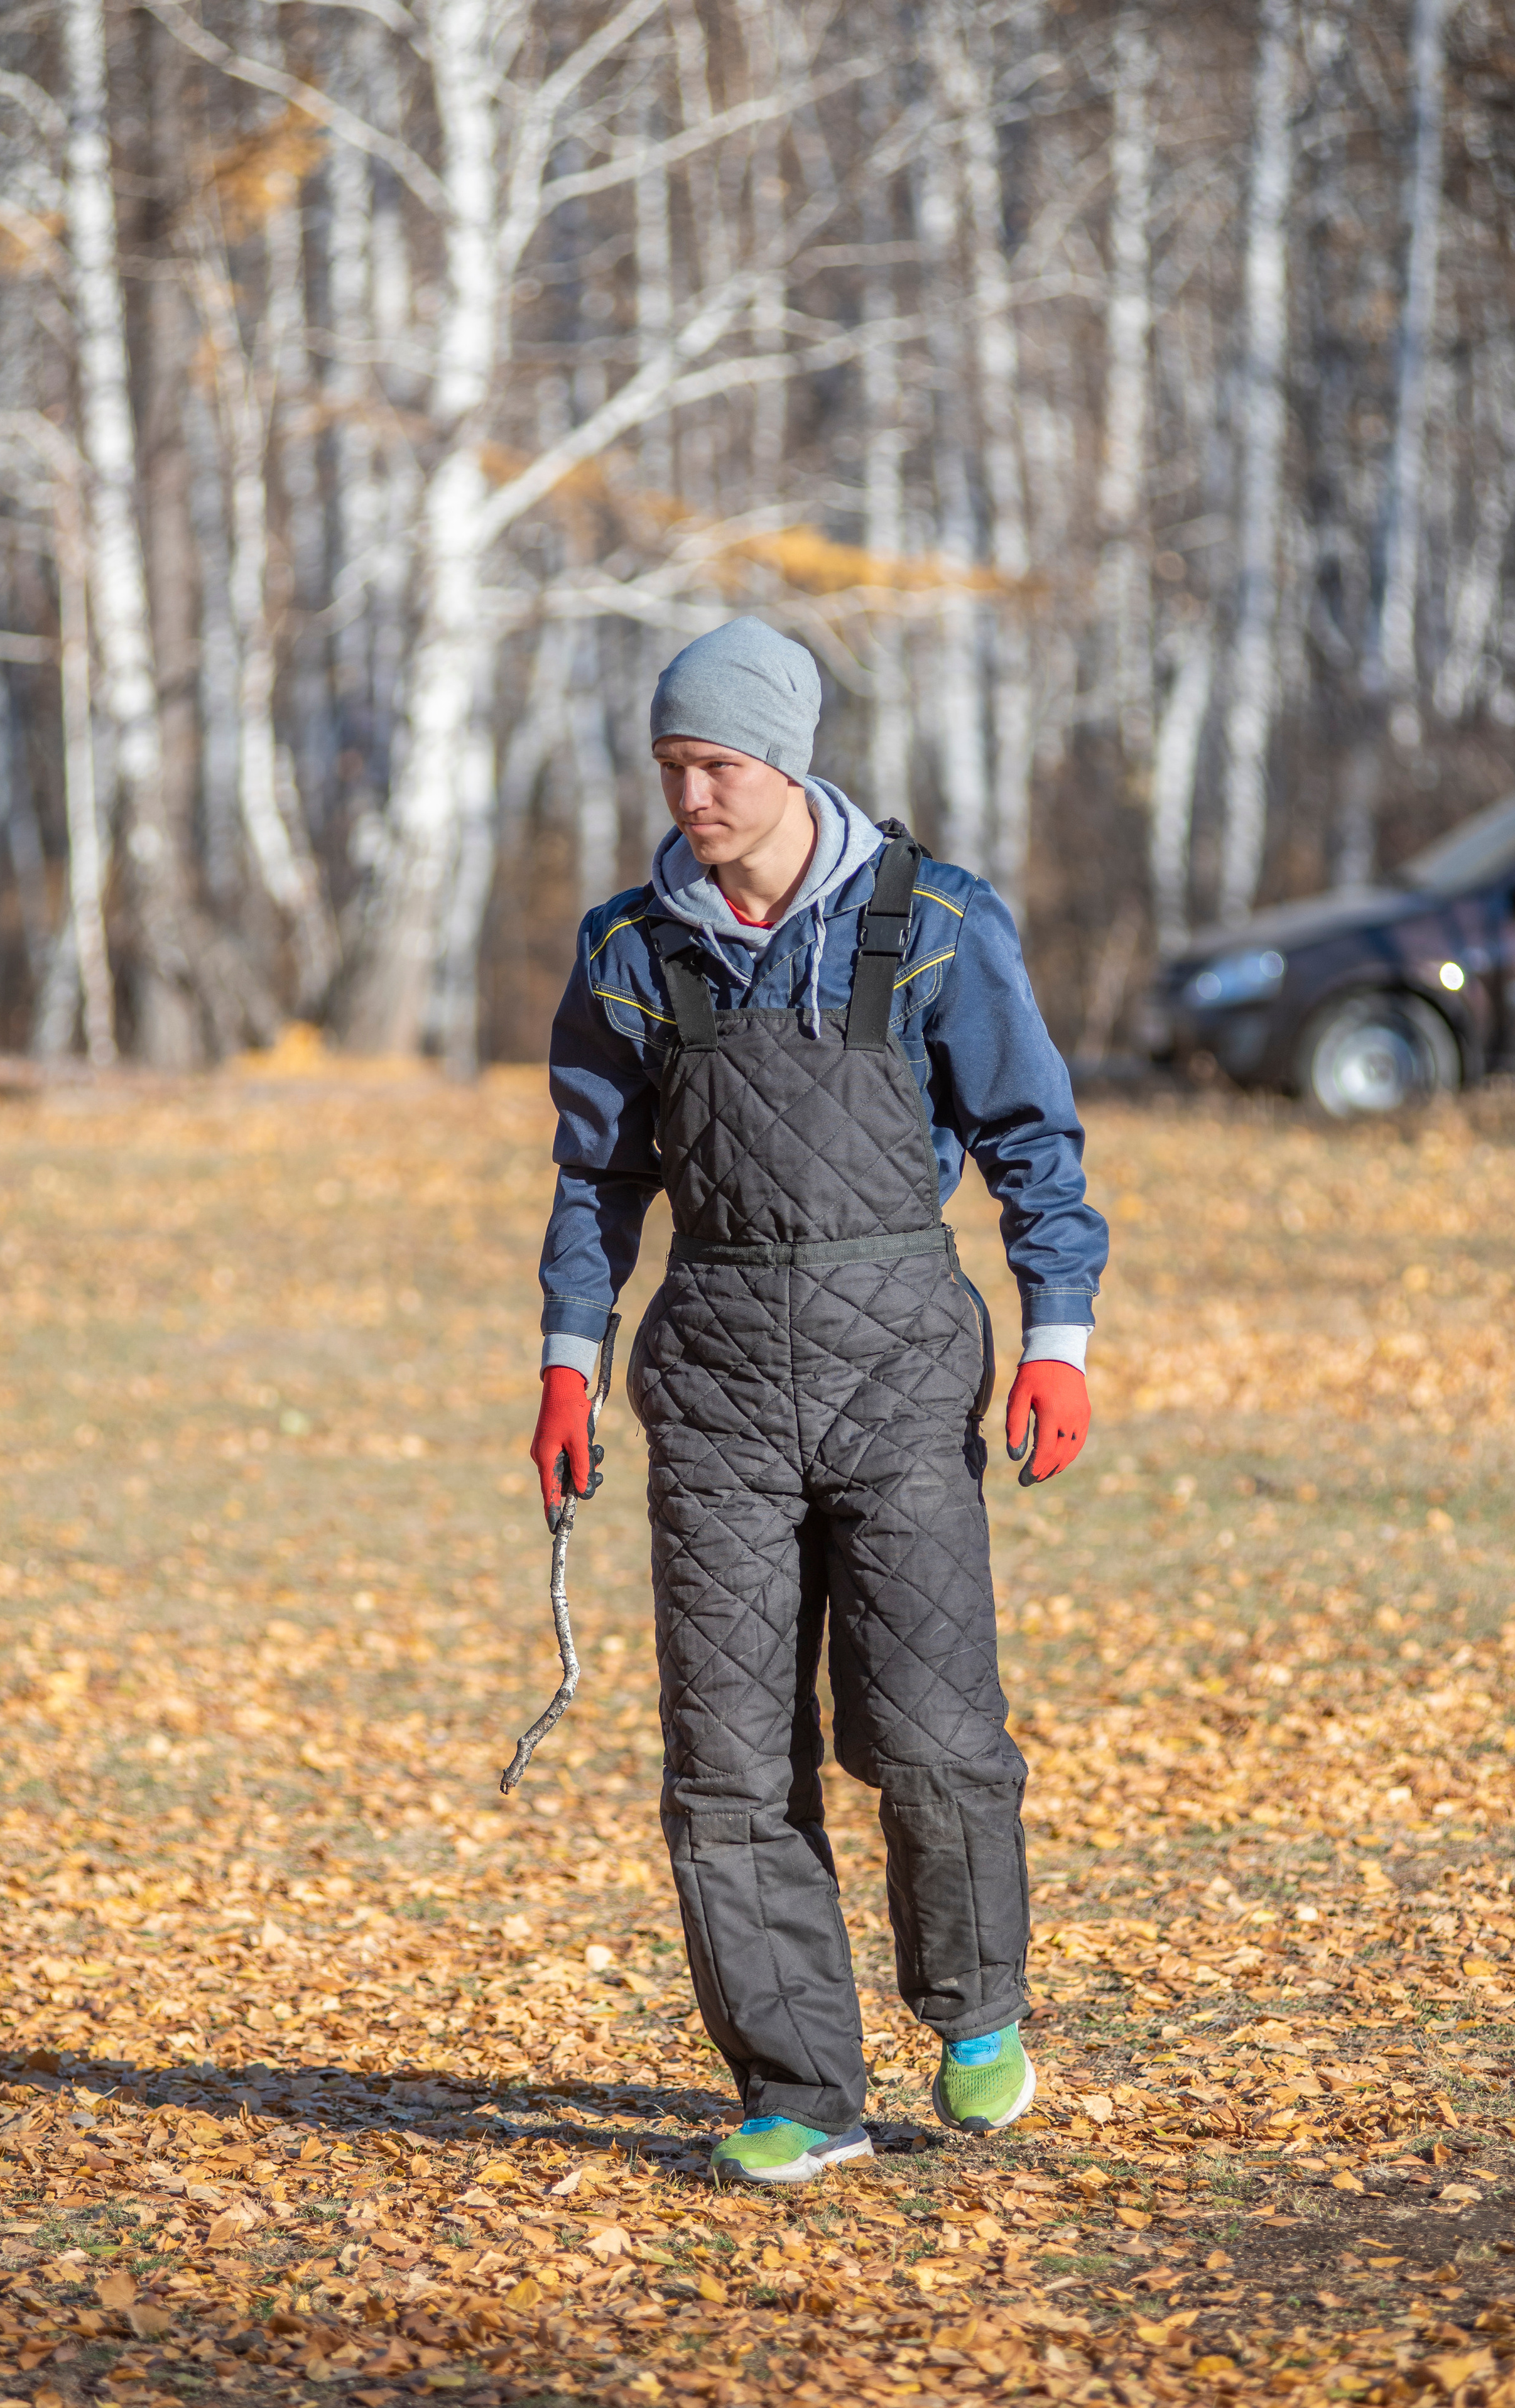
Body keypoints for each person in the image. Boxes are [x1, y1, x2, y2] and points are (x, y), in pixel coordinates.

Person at [529, 616, 1108, 2185]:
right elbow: (596, 1181)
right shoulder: (627, 949)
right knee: (725, 1765)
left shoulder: (932, 923)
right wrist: (568, 1364)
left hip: (899, 1367)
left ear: (785, 760)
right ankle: (800, 2090)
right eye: (670, 766)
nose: (689, 795)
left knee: (927, 1734)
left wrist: (1055, 1341)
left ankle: (974, 2011)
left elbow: (1032, 1147)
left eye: (715, 764)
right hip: (712, 1385)